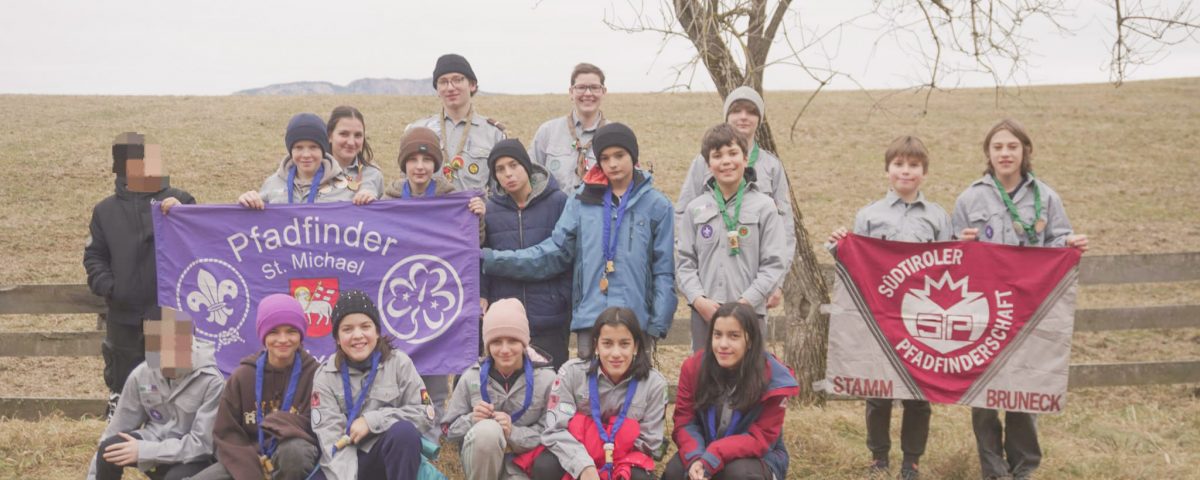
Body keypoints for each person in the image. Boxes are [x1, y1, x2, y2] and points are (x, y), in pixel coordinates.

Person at [950, 119, 1089, 480]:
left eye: (1012, 146)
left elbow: (1058, 241)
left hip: (1030, 310)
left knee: (1024, 392)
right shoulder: (969, 198)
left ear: (1025, 150)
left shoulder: (1047, 197)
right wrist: (960, 243)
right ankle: (993, 470)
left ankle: (1024, 468)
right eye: (997, 147)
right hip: (983, 312)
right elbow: (950, 253)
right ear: (988, 153)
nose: (1005, 153)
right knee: (983, 395)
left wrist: (1069, 244)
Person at [483, 123, 676, 357]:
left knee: (636, 381)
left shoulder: (657, 206)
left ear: (633, 157)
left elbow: (663, 270)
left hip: (636, 321)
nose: (613, 164)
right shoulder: (581, 200)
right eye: (605, 158)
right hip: (591, 319)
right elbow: (553, 252)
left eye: (619, 155)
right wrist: (492, 259)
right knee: (587, 380)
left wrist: (658, 324)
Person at [828, 135, 951, 479]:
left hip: (921, 317)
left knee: (918, 393)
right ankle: (878, 456)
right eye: (899, 164)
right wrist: (839, 244)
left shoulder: (938, 217)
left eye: (914, 165)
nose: (906, 171)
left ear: (924, 172)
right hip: (879, 317)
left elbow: (951, 264)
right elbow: (855, 262)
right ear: (887, 170)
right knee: (878, 391)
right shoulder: (869, 215)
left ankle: (912, 460)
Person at [84, 131, 197, 418]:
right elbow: (95, 256)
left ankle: (171, 436)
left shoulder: (179, 200)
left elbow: (199, 243)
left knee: (174, 386)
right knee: (125, 386)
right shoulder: (105, 211)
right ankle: (122, 431)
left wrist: (184, 216)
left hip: (169, 313)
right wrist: (111, 287)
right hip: (124, 316)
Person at [382, 126, 486, 434]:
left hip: (436, 295)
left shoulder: (450, 198)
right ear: (403, 163)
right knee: (396, 371)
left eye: (427, 160)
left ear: (436, 164)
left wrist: (477, 216)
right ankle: (401, 432)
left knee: (436, 371)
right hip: (397, 296)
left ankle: (433, 434)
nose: (420, 166)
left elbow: (472, 244)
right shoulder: (387, 198)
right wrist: (363, 204)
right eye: (413, 159)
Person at [513, 307, 669, 480]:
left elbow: (650, 442)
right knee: (545, 466)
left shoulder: (655, 384)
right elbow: (555, 429)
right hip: (577, 451)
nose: (615, 353)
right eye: (607, 343)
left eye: (624, 344)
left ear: (636, 347)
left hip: (624, 459)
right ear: (596, 345)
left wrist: (607, 457)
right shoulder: (571, 373)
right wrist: (584, 465)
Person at [675, 87, 795, 311]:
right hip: (710, 288)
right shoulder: (702, 162)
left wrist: (777, 283)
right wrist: (695, 292)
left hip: (752, 289)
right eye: (736, 111)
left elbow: (785, 226)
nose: (743, 117)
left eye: (751, 111)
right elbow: (684, 214)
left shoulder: (772, 166)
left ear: (760, 119)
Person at [676, 124, 789, 352]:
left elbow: (774, 263)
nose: (726, 161)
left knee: (750, 372)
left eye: (733, 153)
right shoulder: (695, 209)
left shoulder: (765, 207)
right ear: (708, 164)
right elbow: (684, 263)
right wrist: (698, 300)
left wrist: (746, 303)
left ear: (746, 158)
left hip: (750, 313)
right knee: (705, 372)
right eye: (717, 156)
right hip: (706, 315)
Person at [663, 302, 800, 480]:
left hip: (758, 456)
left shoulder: (773, 378)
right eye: (717, 335)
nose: (723, 344)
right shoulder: (693, 368)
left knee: (739, 473)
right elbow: (685, 422)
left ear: (750, 340)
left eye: (734, 336)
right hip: (704, 449)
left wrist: (714, 455)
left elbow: (761, 437)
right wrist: (696, 457)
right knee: (675, 472)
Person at [310, 290, 438, 479]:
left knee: (404, 433)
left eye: (365, 326)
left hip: (387, 457)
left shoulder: (399, 363)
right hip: (343, 464)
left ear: (377, 332)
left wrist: (373, 421)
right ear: (337, 338)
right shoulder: (325, 376)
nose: (357, 335)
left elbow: (426, 413)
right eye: (347, 329)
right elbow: (330, 440)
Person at [192, 294, 322, 480]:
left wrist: (281, 422)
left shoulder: (316, 375)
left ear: (301, 334)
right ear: (263, 334)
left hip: (292, 459)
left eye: (291, 331)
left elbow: (318, 426)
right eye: (274, 332)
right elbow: (226, 433)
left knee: (294, 452)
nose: (283, 339)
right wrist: (249, 471)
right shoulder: (242, 376)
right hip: (248, 460)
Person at [87, 314, 225, 480]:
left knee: (175, 478)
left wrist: (145, 451)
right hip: (152, 442)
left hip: (191, 457)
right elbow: (116, 429)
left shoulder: (212, 382)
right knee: (109, 450)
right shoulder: (142, 373)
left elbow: (202, 445)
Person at [442, 299, 557, 480]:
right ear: (487, 345)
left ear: (525, 342)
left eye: (513, 341)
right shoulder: (471, 376)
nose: (504, 350)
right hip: (480, 466)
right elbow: (448, 430)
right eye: (496, 342)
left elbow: (553, 431)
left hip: (523, 465)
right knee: (488, 431)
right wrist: (472, 419)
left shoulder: (547, 379)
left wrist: (513, 432)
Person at [481, 139, 572, 368]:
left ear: (526, 166)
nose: (508, 174)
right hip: (506, 323)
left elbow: (567, 256)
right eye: (500, 169)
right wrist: (485, 295)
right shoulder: (490, 210)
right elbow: (481, 260)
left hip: (549, 320)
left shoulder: (558, 202)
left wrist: (561, 298)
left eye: (514, 165)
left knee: (550, 384)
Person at [408, 53, 506, 194]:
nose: (450, 87)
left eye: (457, 80)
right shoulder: (418, 131)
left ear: (472, 85)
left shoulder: (494, 134)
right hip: (428, 208)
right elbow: (405, 186)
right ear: (437, 89)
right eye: (443, 82)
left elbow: (500, 193)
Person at [237, 113, 356, 209]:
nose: (306, 155)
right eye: (298, 147)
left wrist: (365, 201)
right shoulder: (272, 184)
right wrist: (246, 203)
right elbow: (253, 223)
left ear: (323, 150)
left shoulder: (346, 186)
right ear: (291, 151)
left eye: (313, 147)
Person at [530, 62, 610, 193]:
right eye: (581, 87)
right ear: (571, 92)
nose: (588, 93)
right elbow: (531, 177)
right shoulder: (547, 132)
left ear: (603, 92)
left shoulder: (615, 135)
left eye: (595, 87)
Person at [327, 105, 385, 202]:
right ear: (330, 136)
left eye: (358, 135)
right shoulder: (312, 172)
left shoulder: (374, 175)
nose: (351, 142)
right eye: (344, 134)